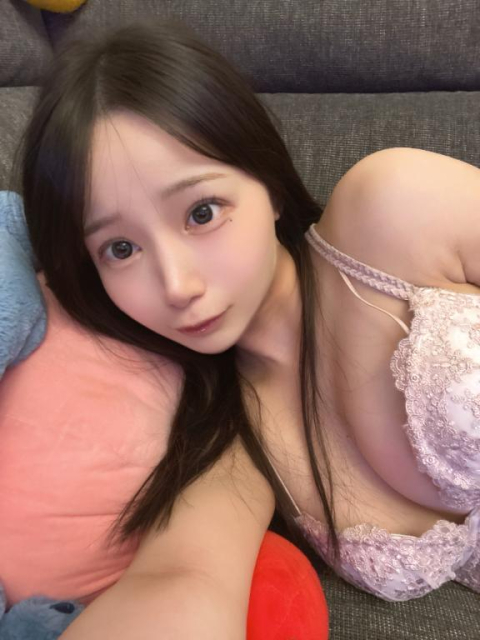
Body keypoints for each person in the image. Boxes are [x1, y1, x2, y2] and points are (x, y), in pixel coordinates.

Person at [9, 16, 480, 633]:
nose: (177, 285)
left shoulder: (392, 208)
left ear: (269, 184)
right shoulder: (226, 439)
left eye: (202, 212)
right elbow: (183, 579)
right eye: (121, 249)